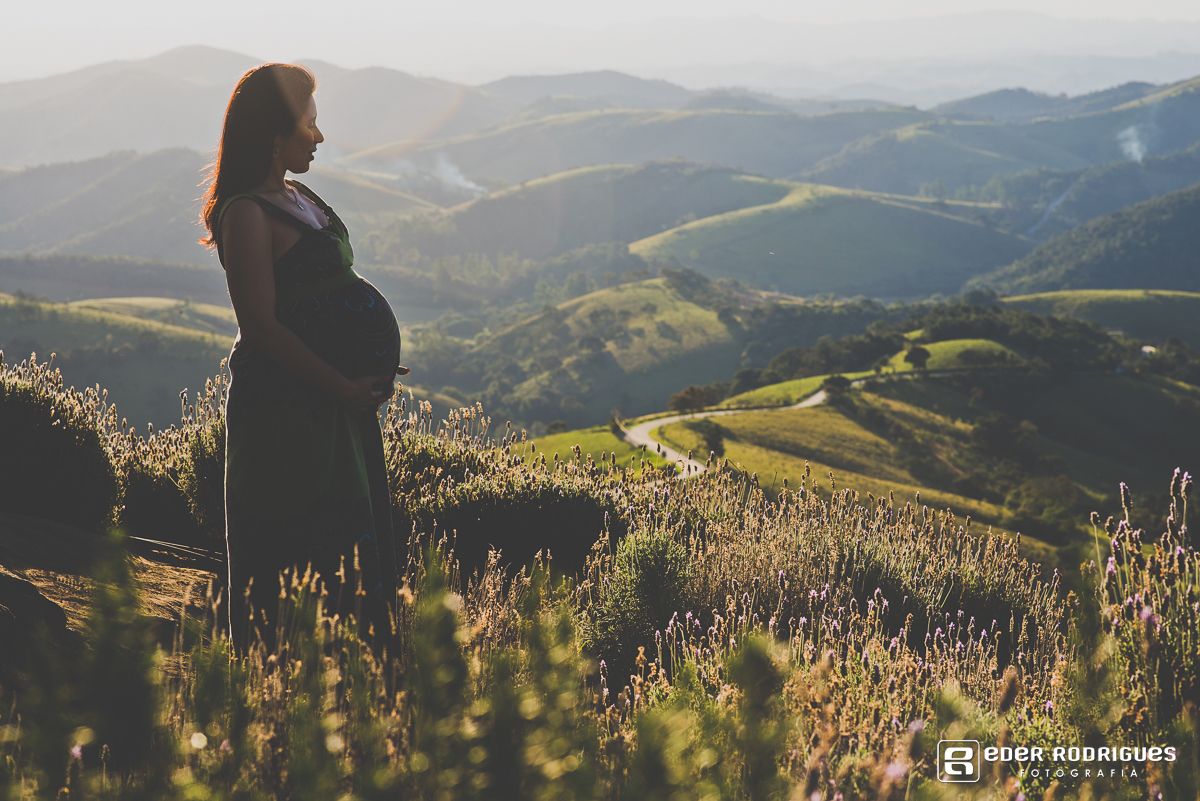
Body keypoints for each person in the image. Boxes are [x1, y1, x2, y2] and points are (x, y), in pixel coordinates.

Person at [199, 63, 402, 644]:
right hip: (287, 411)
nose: (319, 136)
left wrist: (366, 358)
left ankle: (357, 684)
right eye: (310, 124)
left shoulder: (298, 195)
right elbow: (260, 326)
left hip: (335, 405)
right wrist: (340, 383)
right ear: (274, 133)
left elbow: (322, 298)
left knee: (350, 542)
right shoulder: (246, 213)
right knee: (298, 548)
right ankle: (291, 692)